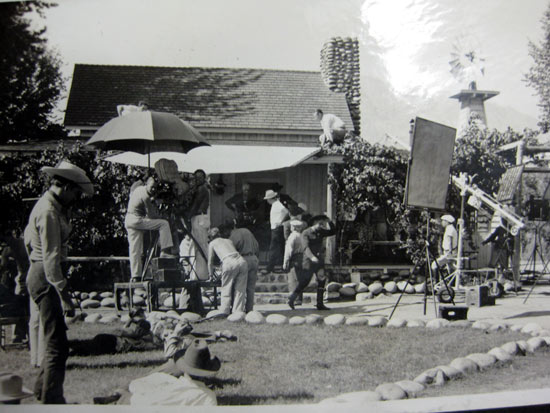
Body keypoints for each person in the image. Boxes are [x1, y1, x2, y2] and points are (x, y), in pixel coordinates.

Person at [24, 160, 94, 404]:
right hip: (46, 277)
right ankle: (52, 400)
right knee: (56, 344)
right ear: (65, 187)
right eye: (76, 192)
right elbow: (52, 261)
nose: (76, 198)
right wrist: (65, 297)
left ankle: (42, 390)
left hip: (40, 274)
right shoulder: (49, 212)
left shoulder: (47, 206)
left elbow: (27, 240)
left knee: (58, 341)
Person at [125, 176, 176, 282]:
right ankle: (164, 250)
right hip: (137, 220)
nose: (153, 190)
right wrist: (160, 211)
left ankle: (135, 276)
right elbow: (153, 216)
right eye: (152, 187)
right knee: (163, 224)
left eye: (155, 188)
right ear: (146, 184)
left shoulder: (138, 189)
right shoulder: (146, 196)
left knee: (135, 249)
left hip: (129, 220)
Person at [207, 227, 248, 315]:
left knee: (226, 287)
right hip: (241, 260)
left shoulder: (212, 243)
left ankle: (224, 311)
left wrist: (210, 275)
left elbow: (210, 261)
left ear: (210, 237)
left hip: (229, 262)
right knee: (240, 289)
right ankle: (238, 312)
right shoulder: (228, 241)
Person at [302, 215, 336, 310]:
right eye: (319, 223)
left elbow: (333, 231)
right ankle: (292, 299)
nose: (321, 225)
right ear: (313, 223)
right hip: (308, 261)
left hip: (318, 260)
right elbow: (306, 247)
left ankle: (320, 303)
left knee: (322, 279)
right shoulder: (306, 233)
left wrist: (329, 221)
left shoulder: (321, 232)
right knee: (304, 281)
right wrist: (311, 257)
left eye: (322, 223)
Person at [283, 220, 319, 310]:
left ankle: (293, 298)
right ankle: (298, 298)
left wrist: (285, 261)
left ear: (294, 227)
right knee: (300, 278)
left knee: (293, 278)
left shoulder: (292, 236)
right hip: (303, 258)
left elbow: (289, 250)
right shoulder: (303, 236)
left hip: (294, 258)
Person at [229, 215, 260, 312]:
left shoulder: (235, 234)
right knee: (251, 287)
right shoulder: (249, 232)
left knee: (239, 286)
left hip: (243, 258)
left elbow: (232, 249)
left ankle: (237, 309)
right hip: (253, 258)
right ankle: (249, 309)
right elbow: (257, 246)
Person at [186, 169, 210, 280]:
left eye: (200, 177)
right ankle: (198, 273)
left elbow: (195, 205)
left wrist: (187, 217)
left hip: (199, 217)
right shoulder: (199, 189)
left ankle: (201, 275)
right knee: (197, 245)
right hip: (198, 217)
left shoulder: (202, 189)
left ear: (204, 178)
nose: (198, 179)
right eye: (196, 177)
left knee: (200, 245)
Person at [482, 211, 513, 279]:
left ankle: (504, 277)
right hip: (497, 248)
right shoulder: (499, 229)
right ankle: (490, 276)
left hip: (504, 249)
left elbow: (513, 239)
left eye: (504, 220)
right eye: (502, 220)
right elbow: (492, 236)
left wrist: (511, 247)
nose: (503, 221)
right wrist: (486, 241)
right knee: (493, 263)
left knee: (504, 265)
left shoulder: (510, 229)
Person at [264, 189, 289, 273]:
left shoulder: (277, 204)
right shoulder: (276, 204)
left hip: (277, 229)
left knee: (273, 248)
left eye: (268, 199)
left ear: (271, 198)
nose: (267, 201)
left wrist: (281, 222)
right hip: (276, 228)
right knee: (280, 248)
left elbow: (287, 212)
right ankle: (284, 266)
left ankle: (269, 268)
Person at [431, 214, 458, 280]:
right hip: (451, 252)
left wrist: (449, 253)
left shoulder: (449, 230)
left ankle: (436, 283)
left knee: (434, 265)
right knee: (451, 269)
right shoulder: (451, 229)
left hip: (448, 252)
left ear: (447, 221)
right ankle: (452, 284)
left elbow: (450, 242)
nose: (442, 223)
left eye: (443, 221)